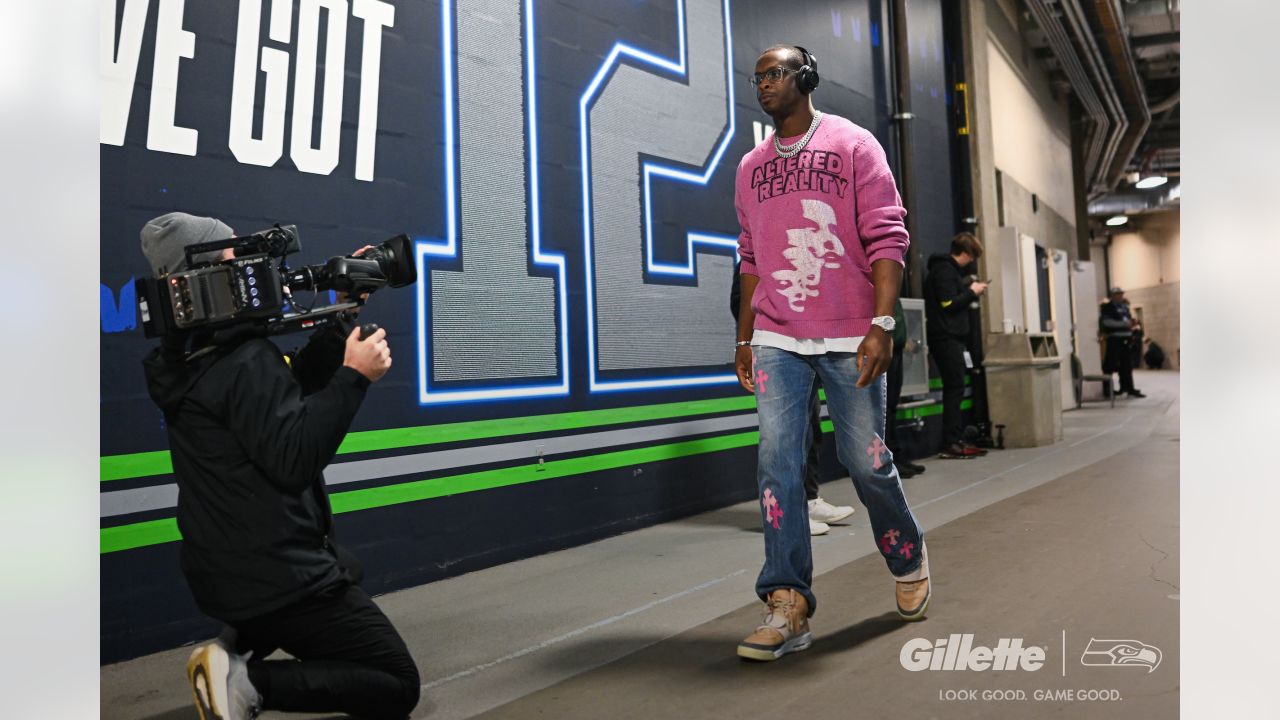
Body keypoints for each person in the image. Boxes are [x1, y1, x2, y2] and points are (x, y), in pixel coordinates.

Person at [140, 213, 420, 720]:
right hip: (277, 578)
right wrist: (355, 377)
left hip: (225, 570)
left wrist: (340, 318)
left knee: (346, 567)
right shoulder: (242, 361)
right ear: (199, 276)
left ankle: (233, 646)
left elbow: (280, 402)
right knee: (397, 683)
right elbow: (293, 458)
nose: (246, 265)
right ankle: (248, 683)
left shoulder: (188, 358)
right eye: (231, 256)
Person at [733, 45, 931, 662]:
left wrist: (882, 322)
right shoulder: (749, 166)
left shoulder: (853, 144)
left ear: (806, 77)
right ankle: (786, 600)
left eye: (774, 73)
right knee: (778, 467)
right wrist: (744, 336)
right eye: (757, 76)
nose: (763, 84)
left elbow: (888, 235)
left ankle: (906, 553)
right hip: (776, 337)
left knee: (865, 461)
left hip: (851, 332)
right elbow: (750, 258)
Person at [732, 262, 856, 535]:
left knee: (811, 429)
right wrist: (748, 342)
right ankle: (785, 512)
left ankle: (808, 500)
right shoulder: (758, 248)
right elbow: (741, 300)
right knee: (780, 440)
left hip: (809, 348)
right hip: (777, 351)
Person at [923, 233, 989, 459]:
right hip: (946, 337)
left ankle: (954, 439)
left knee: (956, 387)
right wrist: (972, 292)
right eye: (971, 257)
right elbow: (948, 303)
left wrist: (966, 287)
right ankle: (950, 442)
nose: (971, 261)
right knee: (954, 387)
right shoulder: (944, 271)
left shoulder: (948, 272)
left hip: (950, 337)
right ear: (965, 254)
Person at [885, 297, 926, 478]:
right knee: (884, 408)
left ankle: (895, 456)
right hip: (885, 346)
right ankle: (886, 461)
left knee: (892, 406)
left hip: (896, 346)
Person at [1100, 287, 1146, 398]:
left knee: (1127, 365)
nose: (1120, 296)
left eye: (1121, 294)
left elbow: (1127, 319)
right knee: (1110, 365)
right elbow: (1107, 322)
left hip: (1126, 339)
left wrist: (1132, 323)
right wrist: (1125, 324)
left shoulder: (1124, 307)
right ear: (1112, 295)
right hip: (1114, 340)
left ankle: (1128, 388)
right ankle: (1107, 390)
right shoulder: (1108, 307)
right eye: (1118, 294)